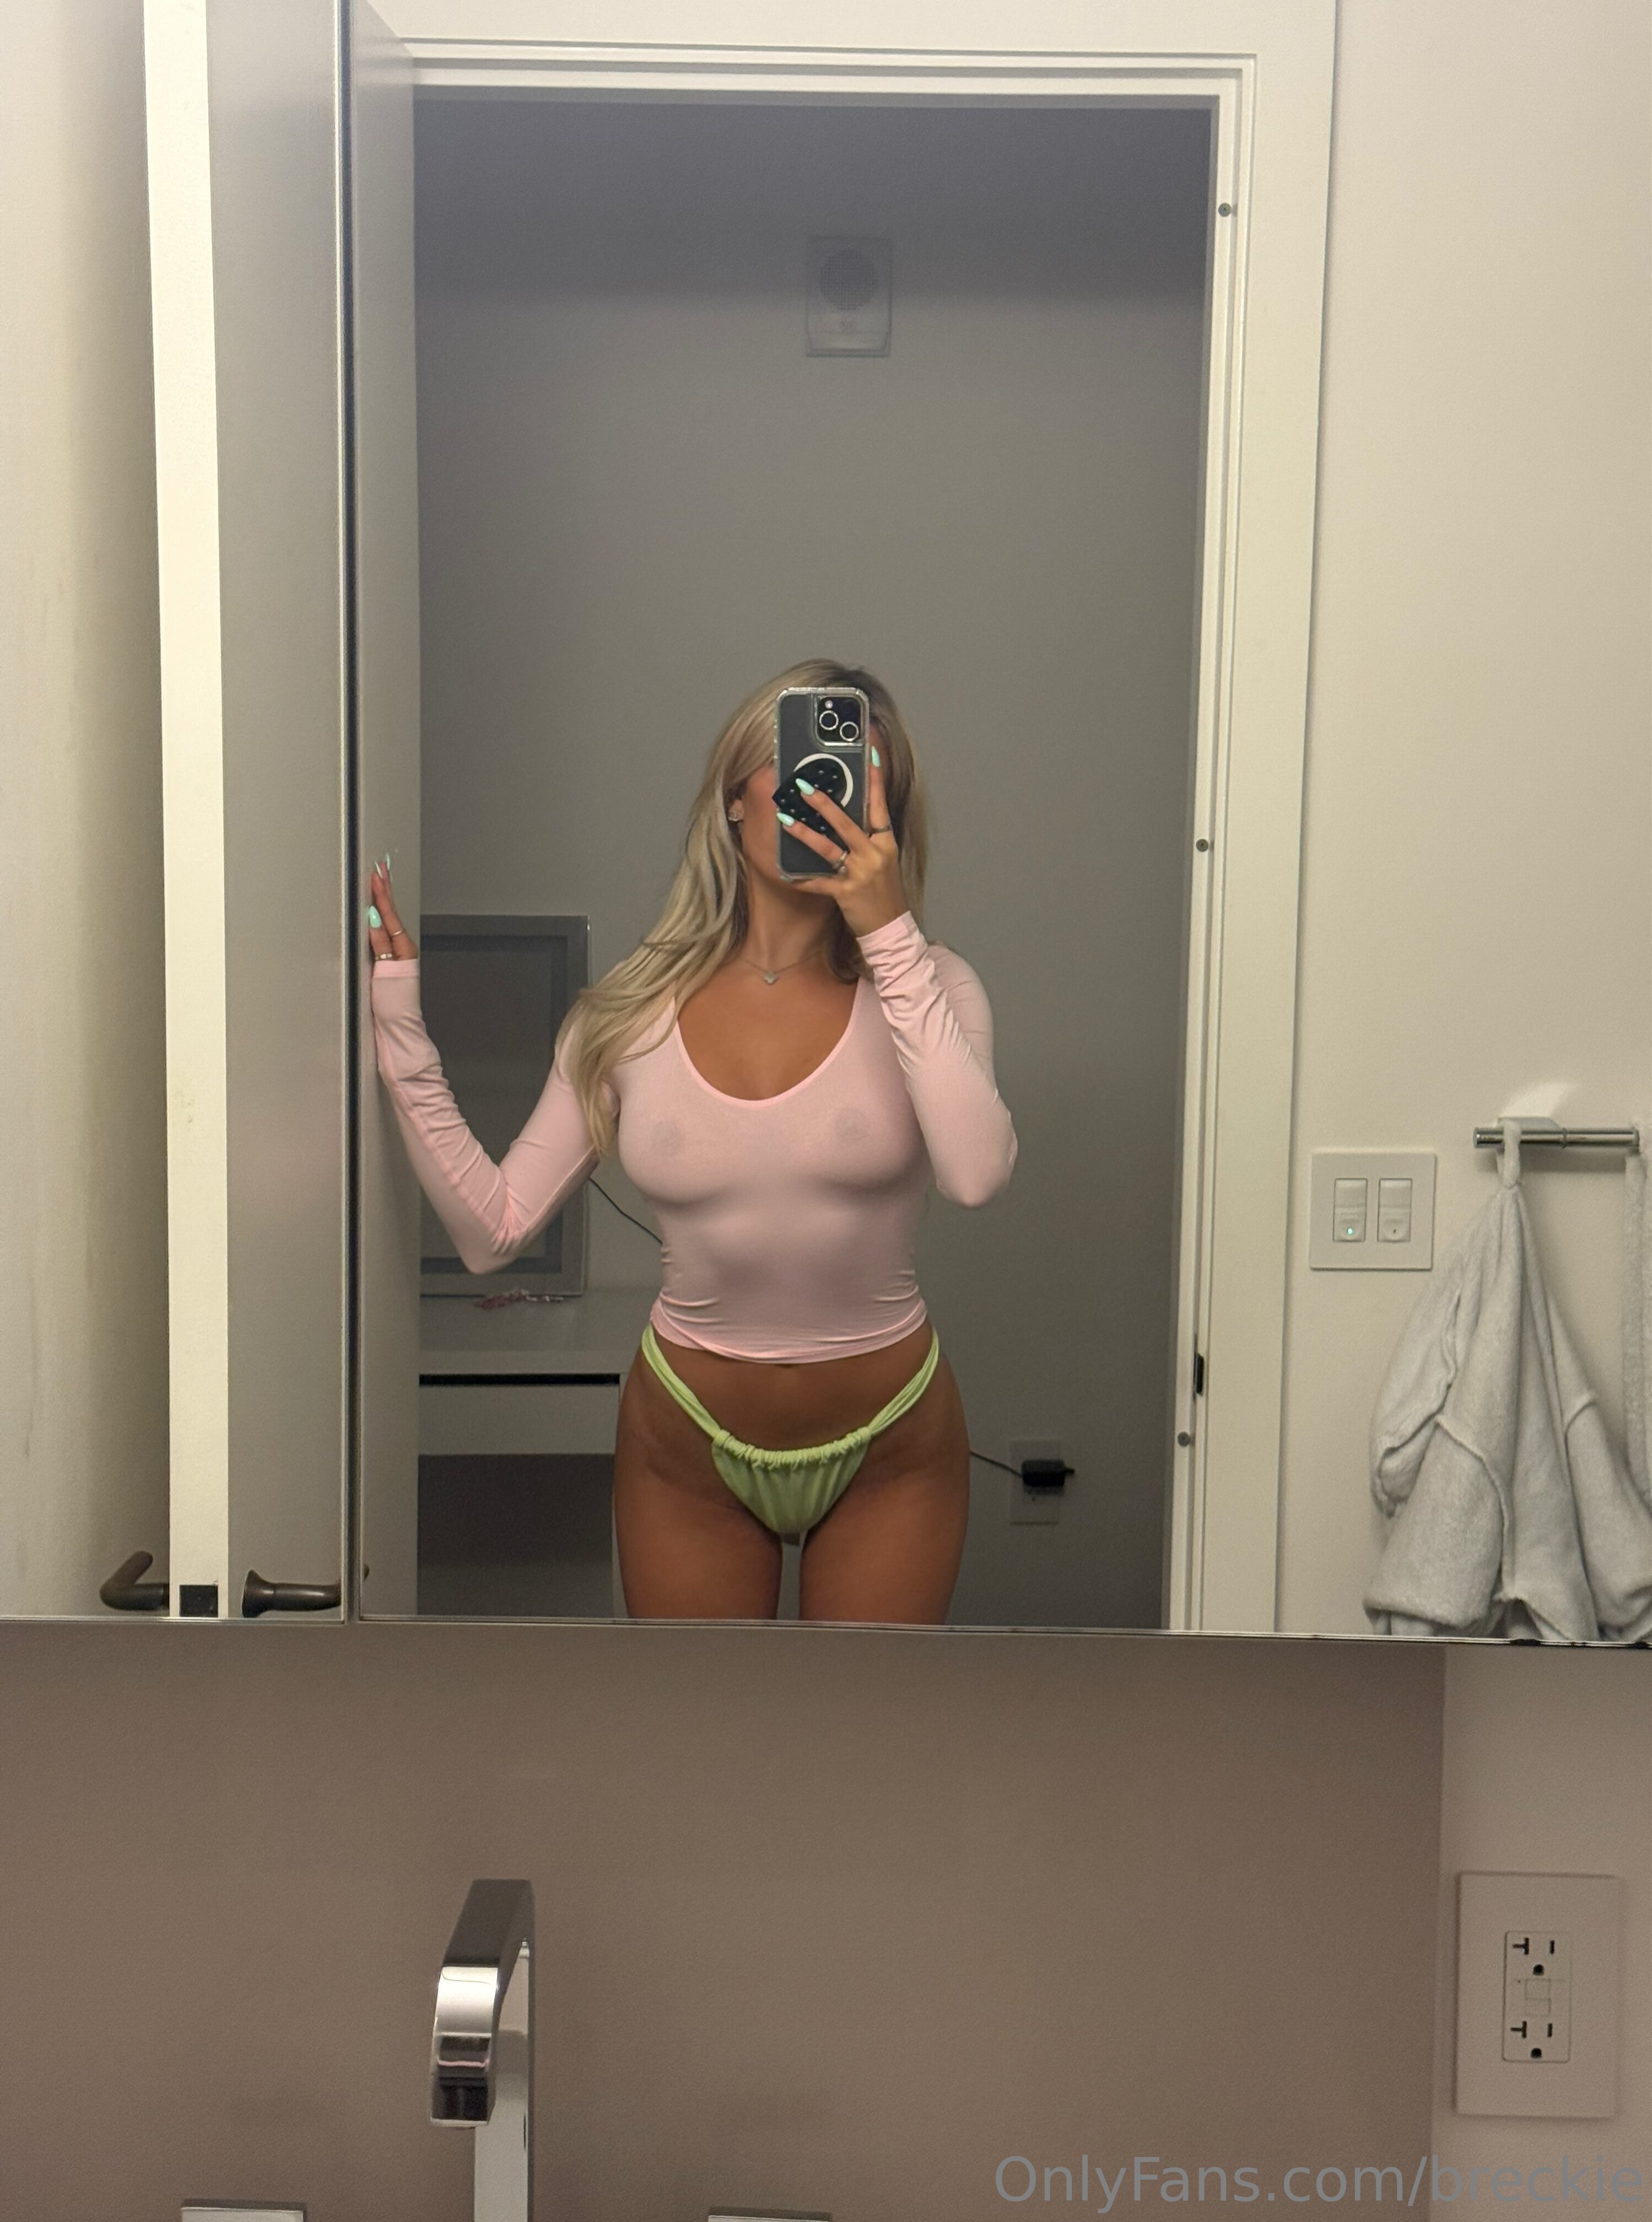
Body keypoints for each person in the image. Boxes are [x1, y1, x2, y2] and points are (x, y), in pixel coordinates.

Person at [368, 660, 1016, 1622]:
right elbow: (491, 1231)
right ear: (733, 797)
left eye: (855, 778)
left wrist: (888, 933)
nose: (824, 795)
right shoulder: (629, 1012)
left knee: (867, 1719)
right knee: (699, 1717)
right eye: (799, 767)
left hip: (893, 1443)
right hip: (687, 1441)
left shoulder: (933, 986)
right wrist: (399, 1028)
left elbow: (974, 1175)